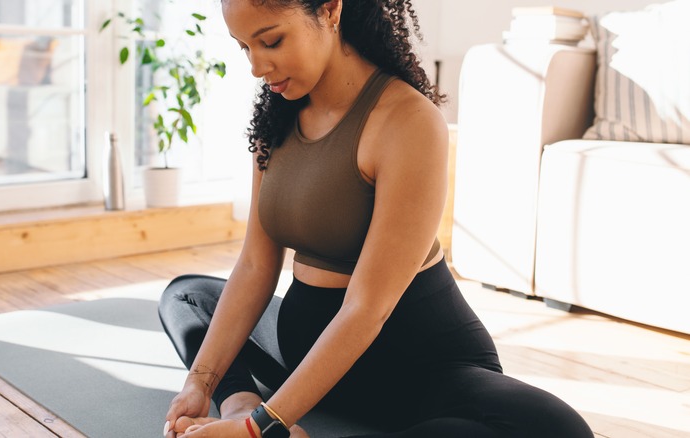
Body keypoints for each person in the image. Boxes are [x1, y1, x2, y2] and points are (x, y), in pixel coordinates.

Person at [158, 0, 595, 437]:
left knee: (557, 429)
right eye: (244, 48)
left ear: (330, 9)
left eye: (271, 41)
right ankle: (241, 405)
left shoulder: (408, 121)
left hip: (414, 369)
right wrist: (205, 385)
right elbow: (255, 265)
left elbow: (368, 309)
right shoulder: (275, 118)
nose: (256, 67)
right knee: (188, 295)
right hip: (304, 356)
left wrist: (262, 429)